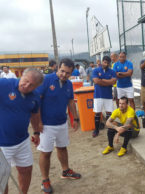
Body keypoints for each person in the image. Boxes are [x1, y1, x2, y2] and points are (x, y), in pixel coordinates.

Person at [36, 58, 81, 193]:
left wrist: (76, 118)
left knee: (62, 148)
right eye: (62, 71)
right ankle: (45, 180)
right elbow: (37, 101)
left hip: (62, 122)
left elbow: (71, 102)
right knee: (46, 153)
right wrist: (38, 122)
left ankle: (65, 171)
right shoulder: (46, 80)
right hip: (46, 125)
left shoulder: (69, 84)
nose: (64, 75)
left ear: (71, 73)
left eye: (67, 73)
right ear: (57, 68)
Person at [0, 68, 44, 194]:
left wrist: (36, 132)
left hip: (22, 140)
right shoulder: (4, 84)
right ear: (21, 76)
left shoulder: (35, 96)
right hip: (2, 143)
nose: (26, 86)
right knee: (3, 176)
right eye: (26, 81)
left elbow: (35, 115)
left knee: (26, 170)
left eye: (31, 85)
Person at [92, 56, 116, 137]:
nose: (106, 64)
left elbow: (113, 81)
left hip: (108, 95)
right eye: (104, 62)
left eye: (107, 63)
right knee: (97, 113)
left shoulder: (112, 71)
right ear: (102, 62)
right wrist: (108, 82)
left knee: (109, 112)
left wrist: (101, 80)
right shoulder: (96, 70)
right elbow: (96, 81)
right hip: (98, 95)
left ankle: (110, 129)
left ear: (109, 64)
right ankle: (96, 130)